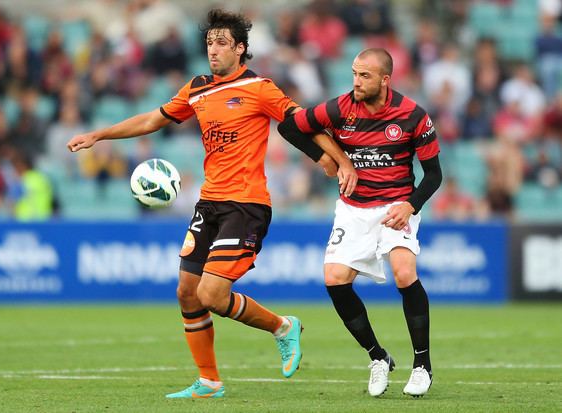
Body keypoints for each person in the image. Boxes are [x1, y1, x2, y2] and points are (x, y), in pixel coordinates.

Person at [67, 9, 357, 399]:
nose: (213, 50)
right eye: (209, 43)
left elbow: (303, 121)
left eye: (222, 43)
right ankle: (209, 381)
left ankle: (282, 327)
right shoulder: (198, 88)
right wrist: (99, 135)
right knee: (187, 292)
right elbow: (153, 119)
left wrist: (341, 161)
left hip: (246, 205)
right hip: (209, 203)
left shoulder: (260, 88)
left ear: (240, 49)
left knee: (212, 296)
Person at [278, 48, 442, 397]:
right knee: (334, 279)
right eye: (354, 73)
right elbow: (290, 126)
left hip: (397, 204)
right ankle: (378, 357)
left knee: (404, 273)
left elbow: (434, 175)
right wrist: (331, 159)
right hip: (354, 208)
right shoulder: (339, 108)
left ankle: (422, 365)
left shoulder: (413, 115)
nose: (356, 81)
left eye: (364, 75)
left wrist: (411, 206)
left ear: (385, 80)